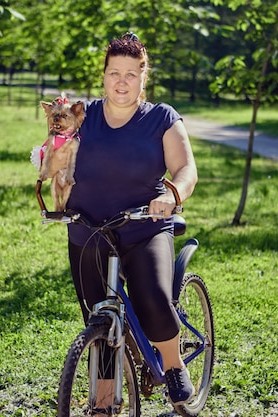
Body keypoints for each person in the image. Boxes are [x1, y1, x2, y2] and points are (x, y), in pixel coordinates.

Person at [65, 32, 198, 411]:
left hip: (144, 226)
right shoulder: (82, 115)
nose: (121, 81)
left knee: (152, 298)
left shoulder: (160, 118)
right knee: (99, 318)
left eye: (130, 74)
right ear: (103, 75)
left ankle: (172, 366)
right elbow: (57, 157)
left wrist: (172, 195)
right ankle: (105, 402)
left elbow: (186, 168)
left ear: (144, 78)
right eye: (113, 73)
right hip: (88, 228)